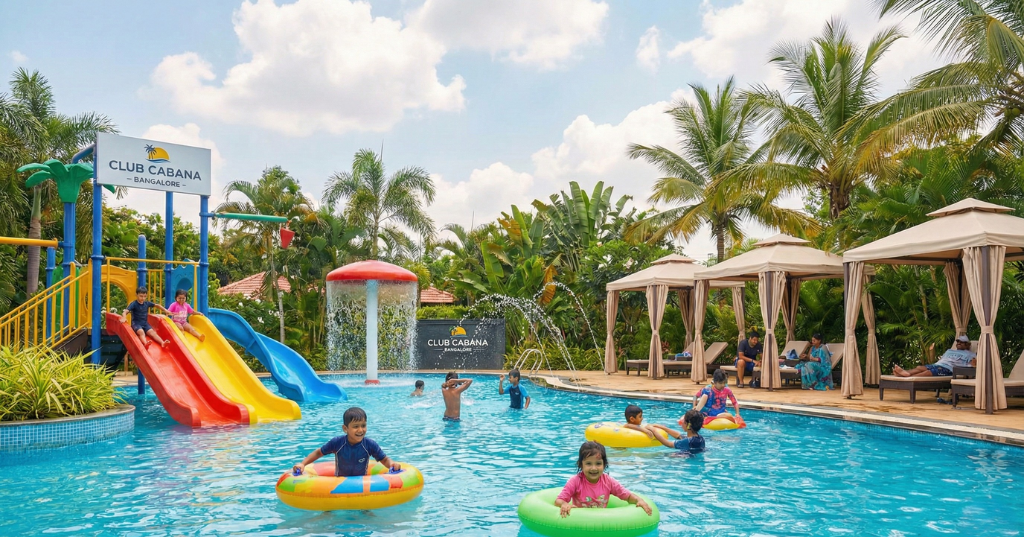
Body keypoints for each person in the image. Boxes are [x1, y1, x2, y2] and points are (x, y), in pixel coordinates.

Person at [555, 441, 653, 517]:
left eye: (598, 464)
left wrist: (639, 500)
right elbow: (558, 500)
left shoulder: (608, 482)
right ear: (581, 465)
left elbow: (627, 496)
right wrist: (564, 504)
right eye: (588, 464)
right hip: (580, 521)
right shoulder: (575, 482)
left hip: (602, 522)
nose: (594, 468)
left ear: (604, 464)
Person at [292, 407, 400, 477]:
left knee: (365, 511)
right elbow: (319, 452)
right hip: (340, 482)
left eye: (363, 425)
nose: (360, 430)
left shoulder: (369, 445)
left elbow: (384, 459)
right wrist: (303, 464)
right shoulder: (337, 443)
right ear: (345, 428)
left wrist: (392, 464)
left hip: (361, 483)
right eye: (355, 426)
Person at [894, 335, 977, 377]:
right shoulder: (949, 351)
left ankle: (907, 378)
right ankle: (906, 373)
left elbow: (973, 365)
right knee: (919, 367)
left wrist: (974, 362)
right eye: (958, 342)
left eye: (961, 342)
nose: (958, 343)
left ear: (967, 345)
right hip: (938, 365)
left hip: (948, 370)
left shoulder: (970, 354)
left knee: (927, 372)